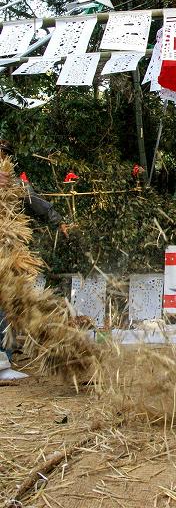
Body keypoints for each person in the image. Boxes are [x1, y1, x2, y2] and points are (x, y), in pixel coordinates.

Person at [0, 138, 71, 368]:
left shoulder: (13, 180)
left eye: (4, 155)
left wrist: (57, 220)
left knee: (6, 299)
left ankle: (3, 357)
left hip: (6, 248)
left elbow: (34, 200)